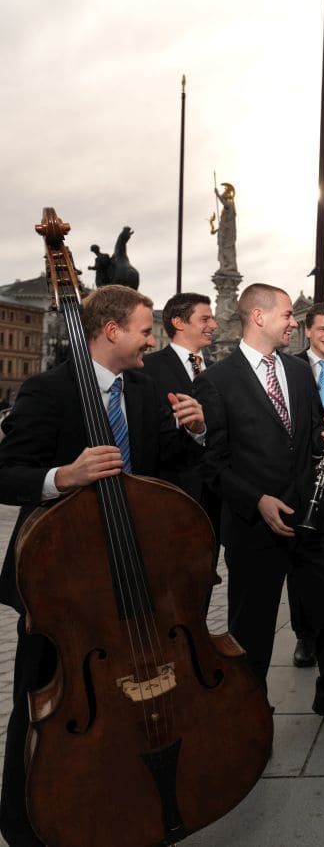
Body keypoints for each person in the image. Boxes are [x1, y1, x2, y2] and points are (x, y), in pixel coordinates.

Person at [0, 285, 206, 847]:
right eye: (145, 329)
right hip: (61, 584)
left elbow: (172, 462)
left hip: (134, 568)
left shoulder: (142, 389)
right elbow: (6, 472)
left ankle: (120, 799)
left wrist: (194, 430)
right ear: (111, 331)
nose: (152, 339)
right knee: (39, 703)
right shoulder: (48, 390)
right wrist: (62, 477)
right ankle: (23, 825)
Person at [192, 284, 324, 738]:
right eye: (288, 314)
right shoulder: (215, 381)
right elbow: (213, 464)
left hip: (312, 519)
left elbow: (308, 436)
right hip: (254, 527)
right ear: (259, 317)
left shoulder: (300, 372)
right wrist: (256, 501)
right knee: (252, 631)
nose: (293, 322)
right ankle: (250, 713)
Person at [139, 292, 222, 561]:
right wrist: (183, 421)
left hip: (214, 500)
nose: (214, 325)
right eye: (205, 319)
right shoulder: (145, 368)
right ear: (179, 322)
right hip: (169, 497)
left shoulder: (220, 372)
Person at [289, 301, 324, 668]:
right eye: (322, 329)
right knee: (300, 568)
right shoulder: (290, 366)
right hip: (301, 481)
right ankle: (304, 637)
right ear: (307, 331)